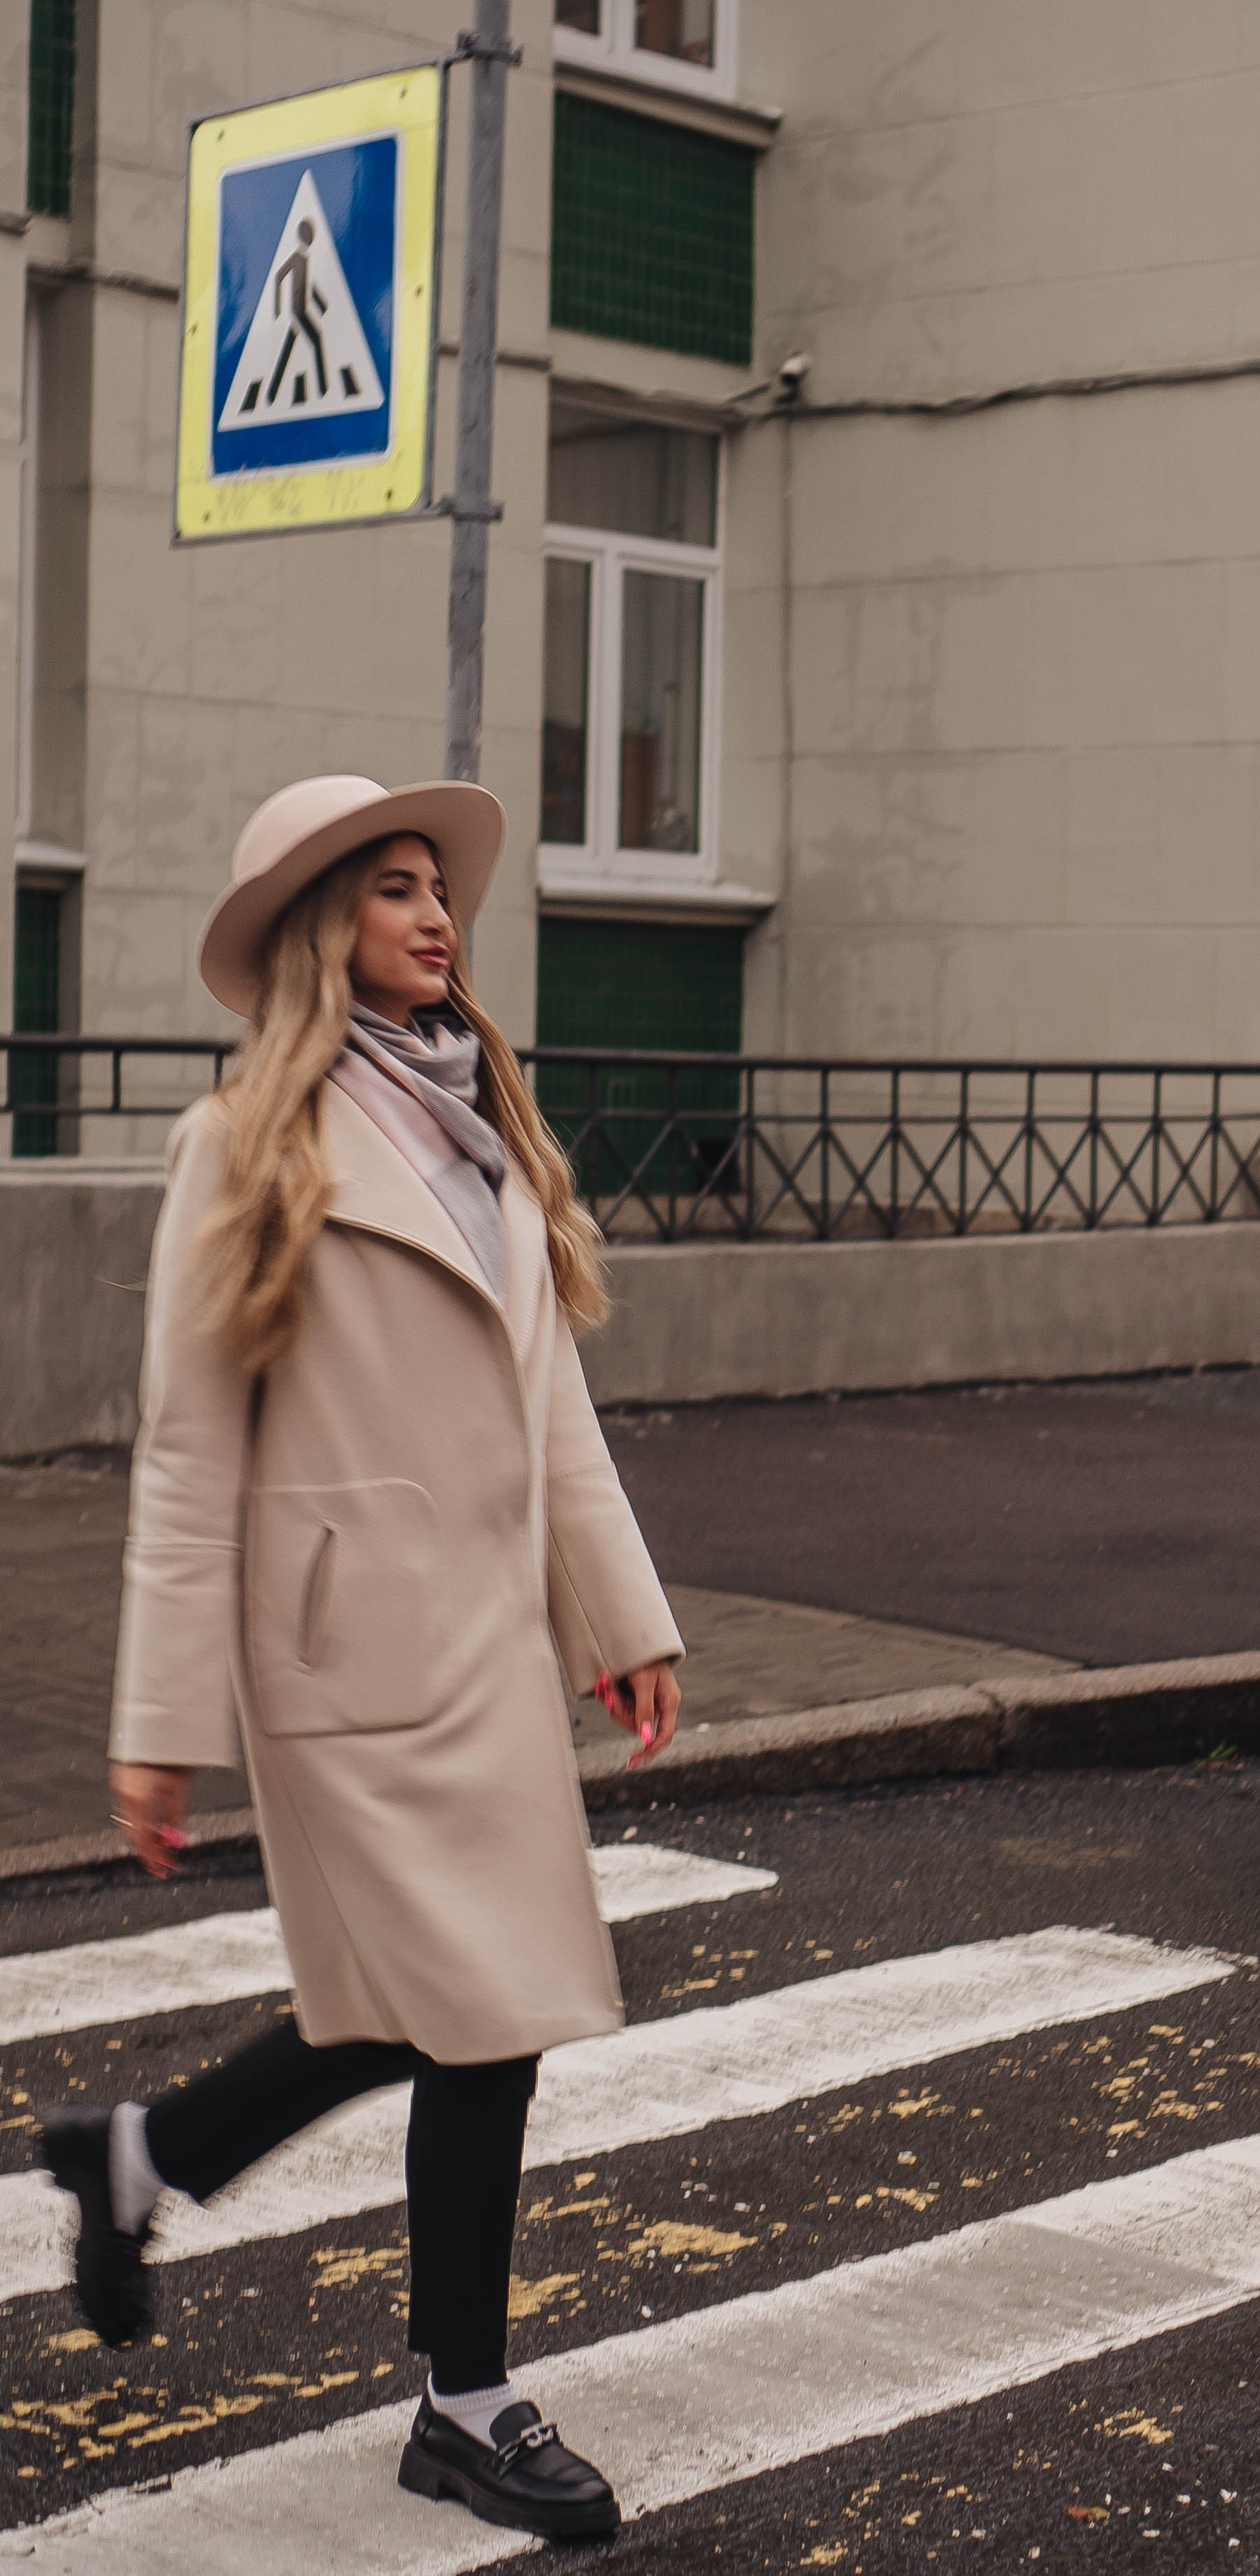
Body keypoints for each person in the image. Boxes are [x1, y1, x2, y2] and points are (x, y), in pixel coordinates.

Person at [37, 773, 684, 2546]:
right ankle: (462, 2406)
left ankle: (141, 2159)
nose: (432, 915)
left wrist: (616, 1615)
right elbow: (190, 1445)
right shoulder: (246, 1141)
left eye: (436, 889)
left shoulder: (483, 1123)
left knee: (451, 2018)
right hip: (343, 1660)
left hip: (482, 1649)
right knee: (471, 2014)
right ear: (321, 926)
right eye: (390, 890)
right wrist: (156, 1723)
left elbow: (545, 1401)